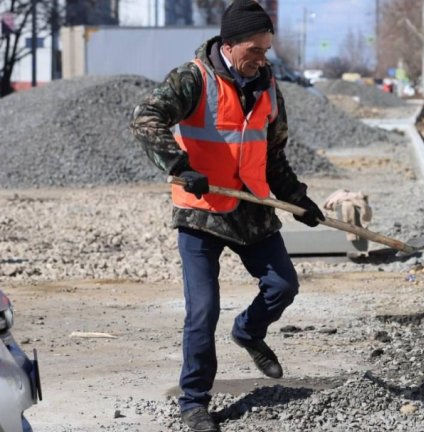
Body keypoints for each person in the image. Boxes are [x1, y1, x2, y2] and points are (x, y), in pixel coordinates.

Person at [130, 1, 325, 430]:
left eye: (267, 50)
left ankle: (249, 332)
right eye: (255, 49)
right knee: (202, 310)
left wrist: (298, 198)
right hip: (200, 212)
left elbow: (273, 154)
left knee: (283, 285)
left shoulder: (269, 86)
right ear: (230, 44)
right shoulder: (192, 78)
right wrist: (179, 166)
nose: (262, 58)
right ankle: (194, 402)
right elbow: (145, 118)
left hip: (251, 208)